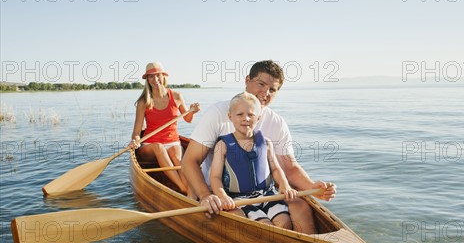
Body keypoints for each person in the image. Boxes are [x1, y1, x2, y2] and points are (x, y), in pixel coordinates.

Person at [182, 60, 336, 234]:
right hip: (221, 192)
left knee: (301, 206)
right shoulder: (219, 112)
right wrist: (205, 195)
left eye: (273, 89)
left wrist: (313, 188)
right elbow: (189, 161)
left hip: (263, 192)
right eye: (261, 84)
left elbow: (288, 168)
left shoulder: (276, 123)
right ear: (247, 80)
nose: (265, 93)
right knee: (242, 220)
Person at [209, 92, 296, 229]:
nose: (246, 119)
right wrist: (223, 196)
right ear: (230, 116)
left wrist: (285, 185)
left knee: (284, 222)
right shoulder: (223, 145)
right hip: (240, 199)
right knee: (264, 225)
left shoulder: (266, 143)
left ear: (259, 118)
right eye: (240, 114)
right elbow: (214, 177)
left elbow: (275, 169)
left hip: (267, 194)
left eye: (251, 115)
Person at [129, 62, 200, 194]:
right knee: (159, 147)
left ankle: (187, 192)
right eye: (151, 76)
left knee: (177, 157)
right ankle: (183, 189)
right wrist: (135, 140)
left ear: (164, 76)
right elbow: (137, 130)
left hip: (173, 141)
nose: (155, 79)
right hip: (150, 144)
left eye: (158, 75)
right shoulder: (144, 101)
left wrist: (192, 111)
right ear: (147, 80)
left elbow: (188, 119)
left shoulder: (177, 96)